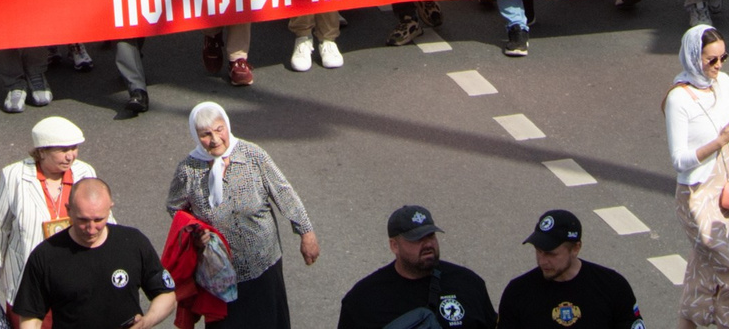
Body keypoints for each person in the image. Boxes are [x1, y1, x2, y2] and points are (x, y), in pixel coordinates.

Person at [164, 103, 319, 329]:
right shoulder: (188, 170)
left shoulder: (252, 155)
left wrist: (306, 233)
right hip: (219, 272)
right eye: (206, 134)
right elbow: (174, 207)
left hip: (263, 264)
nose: (215, 139)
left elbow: (284, 193)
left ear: (227, 126)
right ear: (196, 136)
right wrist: (196, 231)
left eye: (219, 130)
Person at [667, 24, 729, 329]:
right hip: (695, 193)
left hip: (724, 186)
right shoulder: (678, 99)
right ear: (694, 58)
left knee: (702, 272)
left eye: (723, 58)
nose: (719, 66)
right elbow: (679, 159)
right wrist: (719, 142)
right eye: (711, 60)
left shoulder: (724, 82)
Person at [9, 175, 175, 329]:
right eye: (83, 220)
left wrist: (146, 321)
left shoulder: (133, 243)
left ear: (110, 209)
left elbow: (166, 294)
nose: (91, 229)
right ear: (69, 210)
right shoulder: (46, 255)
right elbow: (30, 316)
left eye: (98, 219)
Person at [0, 114, 99, 305]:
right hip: (29, 275)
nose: (71, 156)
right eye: (63, 150)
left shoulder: (85, 173)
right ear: (42, 151)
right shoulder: (15, 175)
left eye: (74, 148)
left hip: (75, 273)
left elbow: (103, 218)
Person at [335, 205, 495, 329]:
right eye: (416, 238)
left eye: (430, 235)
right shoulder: (363, 300)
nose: (427, 244)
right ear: (394, 246)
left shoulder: (468, 284)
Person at [497, 210, 641, 329]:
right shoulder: (517, 293)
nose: (542, 261)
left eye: (551, 254)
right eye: (538, 251)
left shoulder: (612, 287)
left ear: (575, 248)